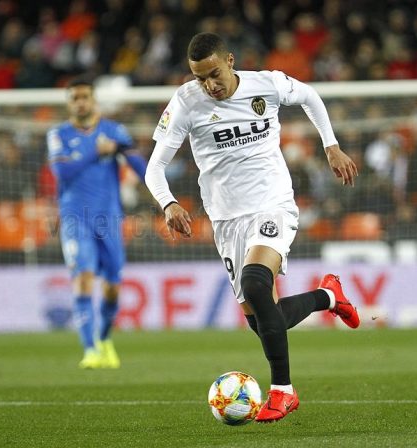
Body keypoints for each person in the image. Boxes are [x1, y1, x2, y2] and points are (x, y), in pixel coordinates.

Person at [145, 32, 360, 423]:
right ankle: (327, 296)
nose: (209, 85)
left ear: (230, 60)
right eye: (199, 78)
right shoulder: (186, 102)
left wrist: (330, 145)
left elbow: (310, 95)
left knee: (257, 284)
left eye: (214, 74)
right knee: (262, 320)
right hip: (226, 219)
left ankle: (283, 391)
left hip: (272, 203)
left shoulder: (266, 84)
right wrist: (168, 202)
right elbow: (155, 167)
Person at [48, 77, 147, 369]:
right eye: (75, 98)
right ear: (69, 103)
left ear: (94, 101)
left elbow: (138, 165)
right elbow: (62, 173)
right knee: (83, 278)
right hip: (74, 217)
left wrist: (157, 190)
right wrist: (97, 152)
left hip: (109, 218)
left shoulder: (114, 131)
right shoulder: (59, 134)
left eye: (85, 97)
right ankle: (89, 350)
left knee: (113, 286)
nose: (80, 102)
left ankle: (104, 338)